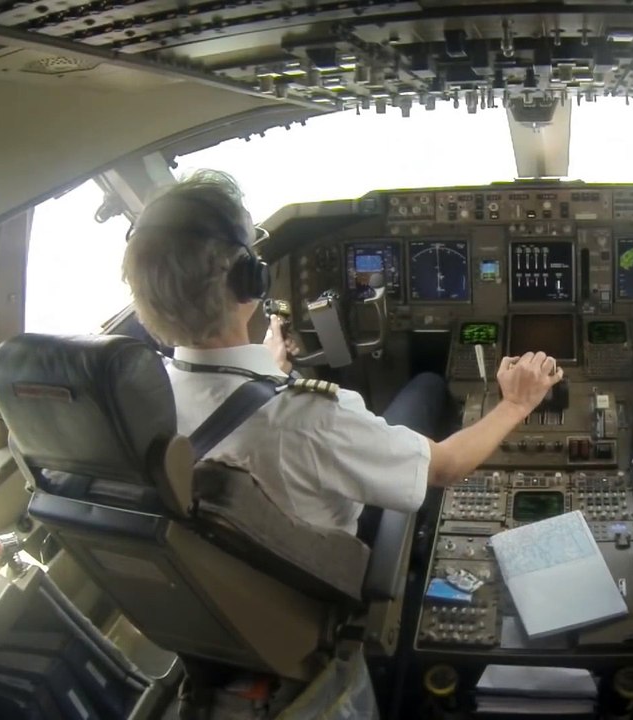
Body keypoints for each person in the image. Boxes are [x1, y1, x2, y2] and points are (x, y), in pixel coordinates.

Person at [122, 170, 563, 535]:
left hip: (266, 563)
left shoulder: (146, 402)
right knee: (429, 384)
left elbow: (227, 407)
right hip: (336, 559)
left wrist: (264, 377)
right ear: (248, 281)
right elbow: (447, 467)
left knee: (427, 383)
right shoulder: (310, 420)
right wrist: (516, 403)